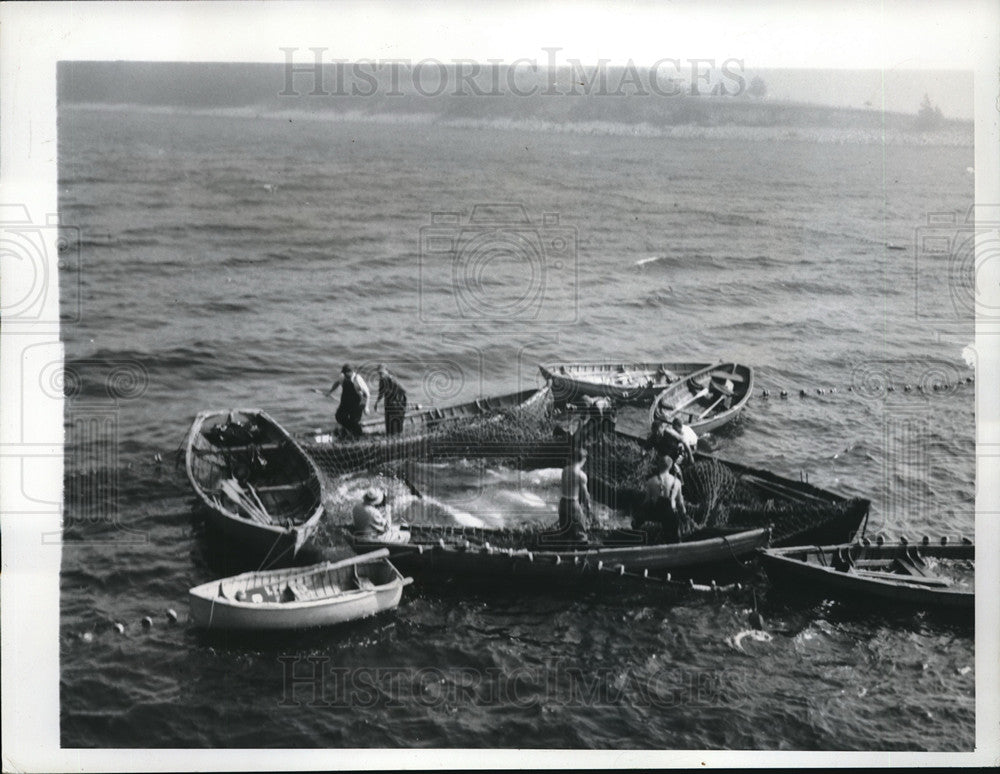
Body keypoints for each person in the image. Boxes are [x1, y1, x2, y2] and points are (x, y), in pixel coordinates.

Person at [637, 456, 688, 543]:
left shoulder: (651, 481)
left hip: (656, 515)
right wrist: (684, 516)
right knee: (676, 539)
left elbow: (647, 502)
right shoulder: (677, 482)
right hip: (671, 516)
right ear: (671, 466)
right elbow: (680, 503)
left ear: (658, 465)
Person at [557, 446, 592, 543]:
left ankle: (566, 553)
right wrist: (588, 507)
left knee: (565, 531)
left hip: (562, 502)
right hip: (573, 504)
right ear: (584, 460)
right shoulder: (581, 475)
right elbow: (585, 495)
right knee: (581, 532)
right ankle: (583, 552)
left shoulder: (565, 470)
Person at [326, 364, 370, 438]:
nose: (344, 375)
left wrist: (366, 407)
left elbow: (367, 394)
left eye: (346, 373)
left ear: (351, 372)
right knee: (339, 416)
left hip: (357, 402)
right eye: (343, 372)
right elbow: (337, 383)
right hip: (346, 400)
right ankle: (350, 431)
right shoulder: (343, 376)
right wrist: (330, 392)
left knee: (354, 420)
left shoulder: (357, 379)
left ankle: (358, 435)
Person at [374, 364, 408, 436]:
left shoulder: (392, 380)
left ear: (387, 371)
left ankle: (398, 436)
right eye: (379, 373)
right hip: (388, 403)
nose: (380, 375)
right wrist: (377, 403)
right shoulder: (382, 380)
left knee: (397, 423)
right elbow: (381, 392)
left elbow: (404, 391)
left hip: (398, 404)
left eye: (381, 373)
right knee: (388, 422)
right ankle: (390, 436)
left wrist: (393, 394)